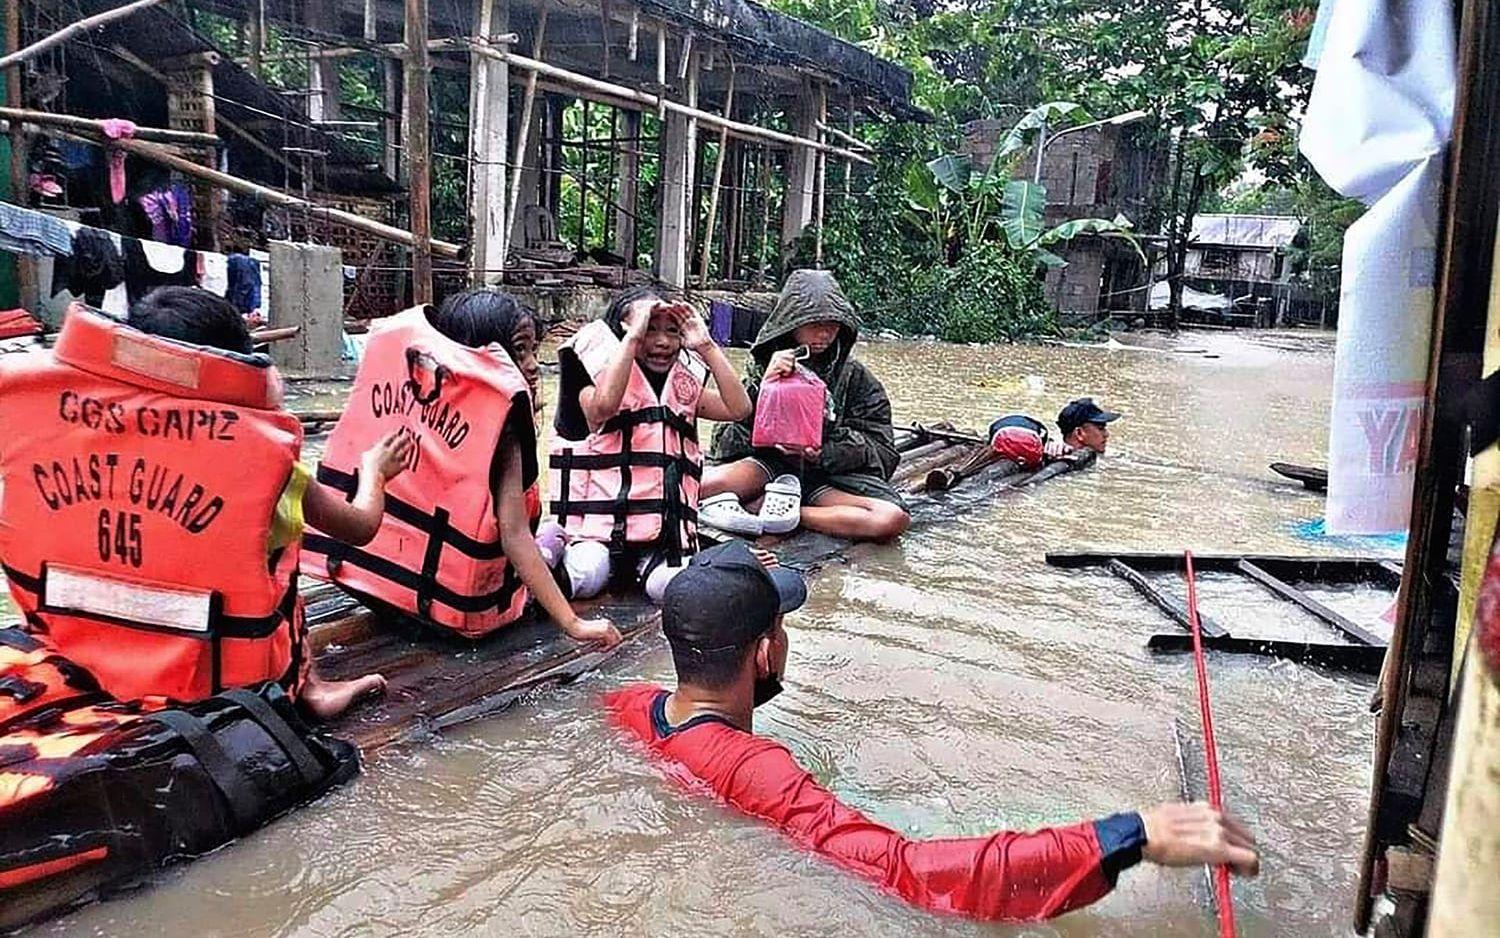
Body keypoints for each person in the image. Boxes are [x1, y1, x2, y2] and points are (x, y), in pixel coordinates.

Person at [607, 539, 1260, 922]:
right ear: (762, 655)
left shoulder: (632, 708)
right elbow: (912, 873)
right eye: (781, 629)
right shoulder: (760, 769)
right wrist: (1127, 835)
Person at [0, 287, 400, 720]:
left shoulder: (47, 425)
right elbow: (359, 526)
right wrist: (375, 470)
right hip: (212, 679)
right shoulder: (265, 459)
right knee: (279, 558)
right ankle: (311, 690)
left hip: (74, 650)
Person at [302, 290, 619, 647]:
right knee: (558, 543)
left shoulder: (408, 388)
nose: (532, 364)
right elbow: (514, 535)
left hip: (375, 586)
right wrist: (575, 624)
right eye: (519, 350)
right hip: (456, 614)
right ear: (483, 353)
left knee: (549, 535)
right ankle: (557, 540)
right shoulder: (503, 426)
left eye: (533, 349)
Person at [549, 286, 751, 604]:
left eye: (672, 331)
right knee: (586, 576)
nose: (661, 342)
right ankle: (548, 549)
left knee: (671, 589)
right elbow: (602, 410)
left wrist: (707, 346)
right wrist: (631, 339)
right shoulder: (592, 381)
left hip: (662, 539)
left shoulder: (684, 386)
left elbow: (739, 409)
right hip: (599, 534)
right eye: (648, 329)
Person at [700, 269, 909, 542]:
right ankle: (766, 503)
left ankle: (783, 513)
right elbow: (727, 437)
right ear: (792, 323)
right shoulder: (764, 365)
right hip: (764, 467)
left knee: (891, 519)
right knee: (692, 489)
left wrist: (822, 451)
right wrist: (764, 387)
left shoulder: (855, 377)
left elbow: (882, 449)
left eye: (833, 325)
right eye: (814, 324)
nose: (824, 334)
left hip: (824, 480)